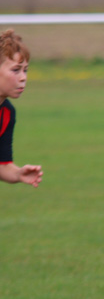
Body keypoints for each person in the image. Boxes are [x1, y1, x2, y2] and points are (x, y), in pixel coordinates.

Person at [0, 29, 43, 187]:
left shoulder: (6, 113)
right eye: (15, 70)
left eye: (25, 70)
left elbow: (2, 164)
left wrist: (18, 174)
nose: (23, 77)